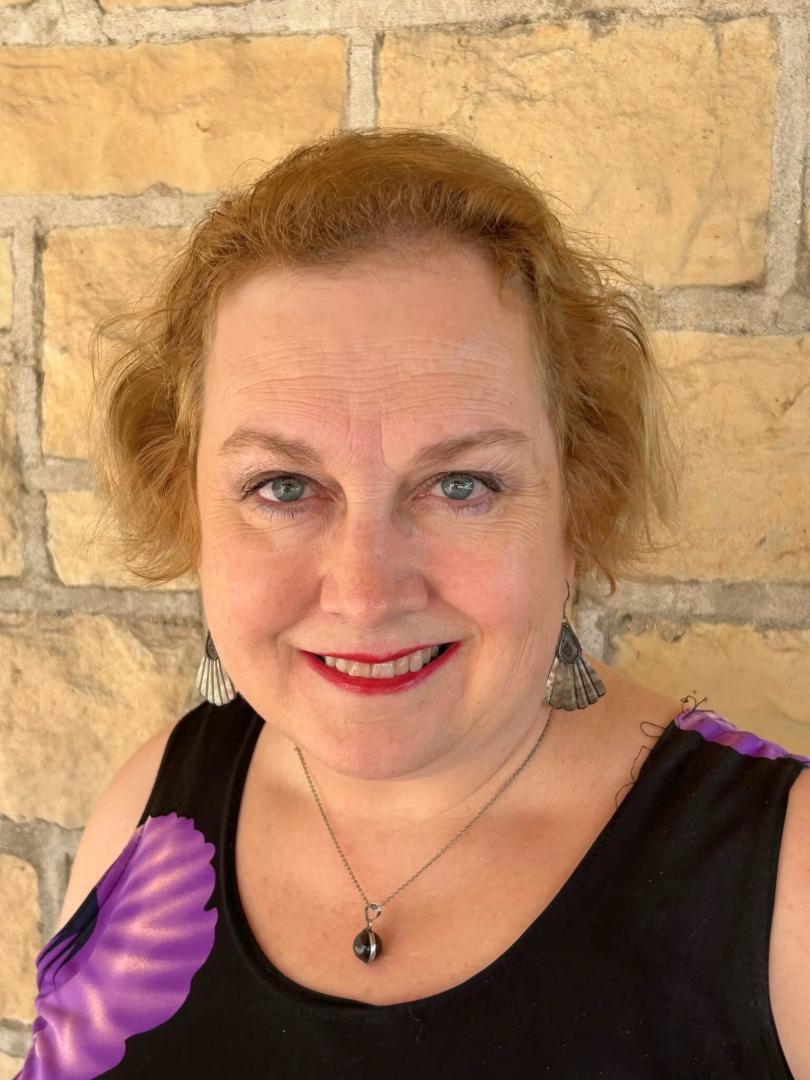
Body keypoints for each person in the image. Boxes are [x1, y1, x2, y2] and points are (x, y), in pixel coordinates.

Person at [15, 128, 809, 1080]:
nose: (364, 593)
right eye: (282, 486)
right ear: (187, 504)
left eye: (461, 485)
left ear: (579, 501)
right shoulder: (150, 815)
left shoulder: (787, 884)